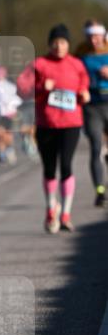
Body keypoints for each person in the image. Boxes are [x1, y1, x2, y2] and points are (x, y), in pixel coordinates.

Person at [17, 24, 89, 233]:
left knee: (66, 165)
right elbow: (22, 89)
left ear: (68, 44)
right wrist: (40, 87)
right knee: (49, 168)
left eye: (63, 42)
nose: (59, 46)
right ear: (50, 44)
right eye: (55, 42)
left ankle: (65, 213)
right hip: (46, 124)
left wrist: (84, 93)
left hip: (71, 124)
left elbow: (84, 83)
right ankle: (51, 208)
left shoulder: (76, 64)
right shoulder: (39, 64)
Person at [75, 19, 108, 207]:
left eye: (96, 36)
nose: (93, 40)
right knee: (96, 147)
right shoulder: (81, 54)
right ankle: (99, 190)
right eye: (90, 36)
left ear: (103, 35)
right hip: (92, 106)